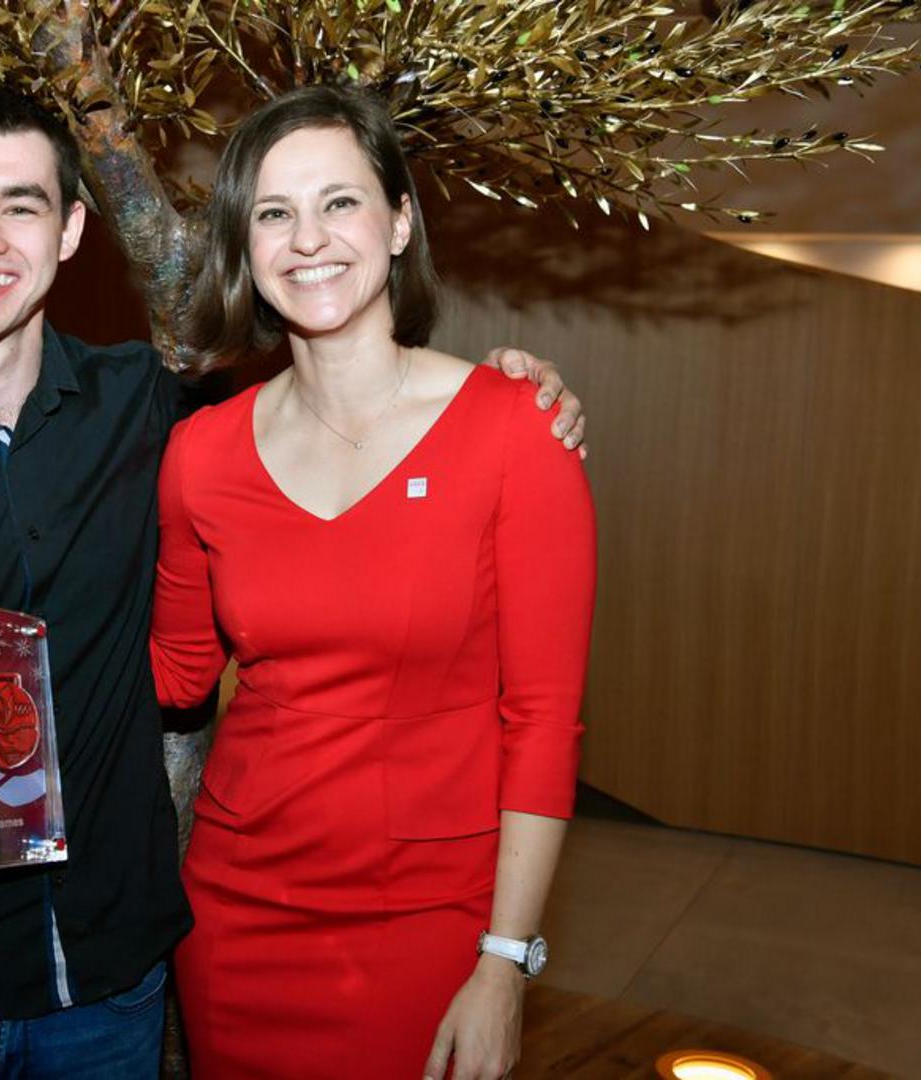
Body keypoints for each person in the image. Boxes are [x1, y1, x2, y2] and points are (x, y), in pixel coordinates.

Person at [0, 85, 586, 1079]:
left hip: (108, 991)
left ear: (70, 230)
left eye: (19, 204)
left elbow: (357, 424)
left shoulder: (152, 412)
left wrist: (516, 391)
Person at [150, 84, 597, 1080]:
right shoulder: (200, 455)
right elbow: (171, 675)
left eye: (338, 202)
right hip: (233, 914)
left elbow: (542, 721)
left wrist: (504, 962)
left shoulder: (514, 431)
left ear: (398, 222)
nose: (307, 239)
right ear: (244, 246)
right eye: (273, 212)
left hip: (436, 920)